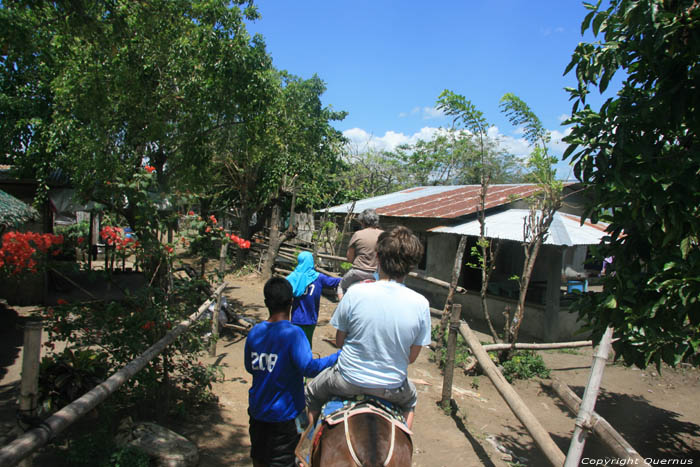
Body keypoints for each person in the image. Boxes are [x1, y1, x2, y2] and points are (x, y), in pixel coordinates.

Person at [305, 226, 431, 430]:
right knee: (410, 402)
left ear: (378, 258)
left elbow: (339, 342)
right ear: (411, 265)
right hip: (393, 386)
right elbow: (411, 357)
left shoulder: (355, 293)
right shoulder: (421, 304)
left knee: (311, 393)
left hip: (347, 380)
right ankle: (405, 435)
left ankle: (308, 448)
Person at [245, 277, 340, 467]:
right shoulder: (294, 334)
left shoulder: (255, 332)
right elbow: (309, 368)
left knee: (260, 458)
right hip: (286, 417)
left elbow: (250, 366)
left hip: (258, 414)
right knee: (289, 458)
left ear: (266, 303)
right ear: (292, 302)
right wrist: (337, 356)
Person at [285, 251, 342, 348]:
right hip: (311, 318)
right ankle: (306, 361)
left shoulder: (292, 278)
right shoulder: (318, 278)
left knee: (295, 344)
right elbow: (334, 281)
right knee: (307, 344)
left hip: (296, 317)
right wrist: (350, 279)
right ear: (310, 262)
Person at [337, 208, 383, 299]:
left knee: (341, 287)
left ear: (363, 222)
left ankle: (343, 308)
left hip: (358, 272)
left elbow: (349, 258)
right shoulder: (384, 235)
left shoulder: (358, 234)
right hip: (378, 274)